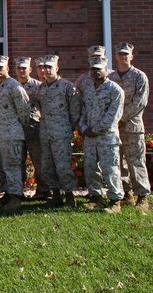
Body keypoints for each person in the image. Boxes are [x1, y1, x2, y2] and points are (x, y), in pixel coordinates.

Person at [80, 57, 125, 213]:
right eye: (93, 69)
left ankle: (115, 200)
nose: (96, 71)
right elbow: (83, 111)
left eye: (99, 69)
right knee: (91, 167)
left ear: (107, 70)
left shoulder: (115, 90)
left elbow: (113, 116)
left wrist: (95, 130)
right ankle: (95, 197)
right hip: (90, 136)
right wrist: (84, 127)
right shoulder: (88, 89)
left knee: (110, 168)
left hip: (107, 137)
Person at [108, 42, 150, 212]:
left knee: (136, 161)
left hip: (132, 127)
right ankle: (127, 193)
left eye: (126, 54)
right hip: (114, 128)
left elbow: (140, 103)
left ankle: (142, 196)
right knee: (118, 162)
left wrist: (119, 117)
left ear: (131, 56)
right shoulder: (111, 78)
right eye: (120, 54)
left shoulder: (139, 77)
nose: (123, 56)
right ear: (116, 56)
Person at [0, 55, 31, 213]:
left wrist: (16, 127)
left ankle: (15, 197)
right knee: (2, 166)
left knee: (12, 166)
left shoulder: (14, 86)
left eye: (1, 67)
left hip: (12, 134)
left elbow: (24, 111)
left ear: (7, 68)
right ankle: (8, 193)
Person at [37, 55, 79, 208]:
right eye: (44, 67)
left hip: (61, 133)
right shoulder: (41, 88)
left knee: (62, 166)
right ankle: (56, 194)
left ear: (57, 68)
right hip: (45, 132)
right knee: (47, 166)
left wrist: (70, 127)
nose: (47, 70)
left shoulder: (67, 87)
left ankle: (69, 195)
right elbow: (41, 108)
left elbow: (74, 110)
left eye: (50, 67)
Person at [14, 56, 47, 198]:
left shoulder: (38, 86)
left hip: (34, 129)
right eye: (19, 68)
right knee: (17, 161)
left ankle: (43, 190)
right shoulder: (12, 86)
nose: (21, 71)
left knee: (38, 160)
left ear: (30, 69)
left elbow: (44, 108)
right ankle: (17, 191)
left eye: (24, 68)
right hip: (17, 130)